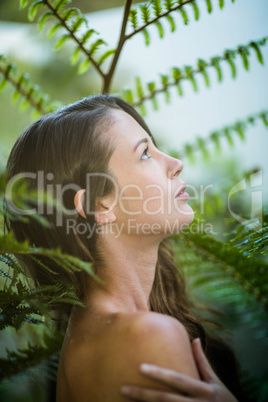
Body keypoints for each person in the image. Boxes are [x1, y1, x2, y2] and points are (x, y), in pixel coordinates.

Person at [5, 95, 247, 401]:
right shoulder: (147, 337)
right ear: (99, 204)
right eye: (146, 153)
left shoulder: (87, 337)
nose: (175, 164)